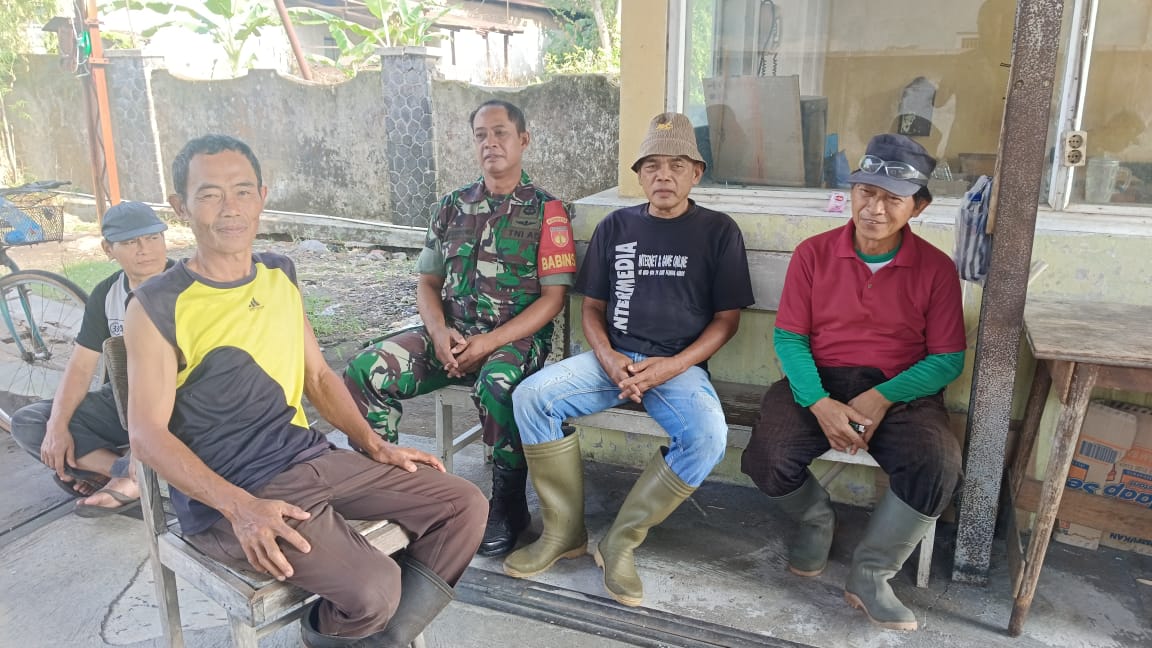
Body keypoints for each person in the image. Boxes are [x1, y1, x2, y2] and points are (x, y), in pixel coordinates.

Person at [124, 134, 486, 647]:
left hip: (311, 457)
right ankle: (346, 633)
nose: (230, 209)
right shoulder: (158, 303)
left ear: (262, 197)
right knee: (373, 589)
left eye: (243, 191)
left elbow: (317, 377)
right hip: (239, 492)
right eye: (209, 194)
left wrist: (374, 444)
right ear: (181, 207)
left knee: (463, 504)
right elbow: (146, 435)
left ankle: (376, 640)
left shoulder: (278, 274)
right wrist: (239, 508)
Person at [505, 112, 755, 607]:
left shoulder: (718, 231)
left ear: (696, 173)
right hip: (609, 360)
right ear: (639, 175)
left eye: (677, 165)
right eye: (653, 166)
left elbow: (727, 320)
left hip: (677, 369)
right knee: (531, 396)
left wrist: (672, 366)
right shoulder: (616, 225)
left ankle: (620, 540)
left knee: (708, 438)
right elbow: (591, 308)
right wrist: (608, 355)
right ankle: (563, 533)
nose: (664, 175)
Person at [740, 133, 966, 632]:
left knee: (938, 463)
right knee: (767, 455)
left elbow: (948, 359)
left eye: (892, 198)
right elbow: (791, 339)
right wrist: (819, 402)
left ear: (919, 207)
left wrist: (882, 397)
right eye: (867, 192)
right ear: (851, 193)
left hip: (900, 389)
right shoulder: (814, 254)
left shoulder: (935, 270)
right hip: (819, 380)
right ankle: (816, 520)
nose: (875, 209)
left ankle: (870, 573)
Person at [343, 100, 576, 558]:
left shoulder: (548, 211)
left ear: (523, 140)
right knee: (364, 370)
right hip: (449, 335)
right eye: (481, 135)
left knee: (500, 385)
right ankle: (385, 490)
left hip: (514, 340)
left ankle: (508, 504)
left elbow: (553, 299)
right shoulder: (450, 207)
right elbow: (428, 283)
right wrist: (436, 333)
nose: (490, 143)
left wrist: (490, 342)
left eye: (501, 133)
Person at [11, 201, 171, 517]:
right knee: (32, 425)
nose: (145, 249)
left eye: (153, 238)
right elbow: (81, 366)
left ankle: (118, 478)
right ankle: (129, 474)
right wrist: (56, 427)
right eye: (130, 242)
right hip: (123, 404)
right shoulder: (107, 294)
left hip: (180, 401)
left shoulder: (189, 284)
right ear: (108, 249)